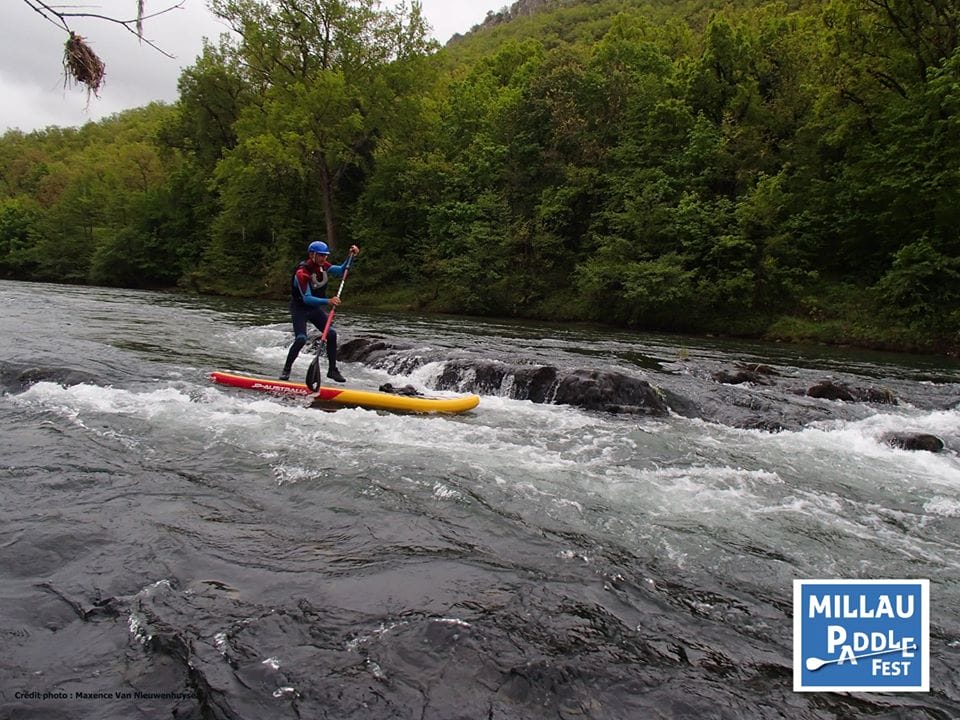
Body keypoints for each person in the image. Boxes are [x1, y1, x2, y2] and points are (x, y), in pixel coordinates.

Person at [280, 240, 360, 382]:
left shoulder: (322, 266)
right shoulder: (302, 273)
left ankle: (332, 370)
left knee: (331, 334)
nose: (324, 258)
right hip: (300, 308)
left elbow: (342, 270)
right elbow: (307, 298)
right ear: (312, 255)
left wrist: (351, 257)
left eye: (325, 255)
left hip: (313, 309)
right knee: (301, 339)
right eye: (321, 255)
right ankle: (286, 370)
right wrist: (328, 301)